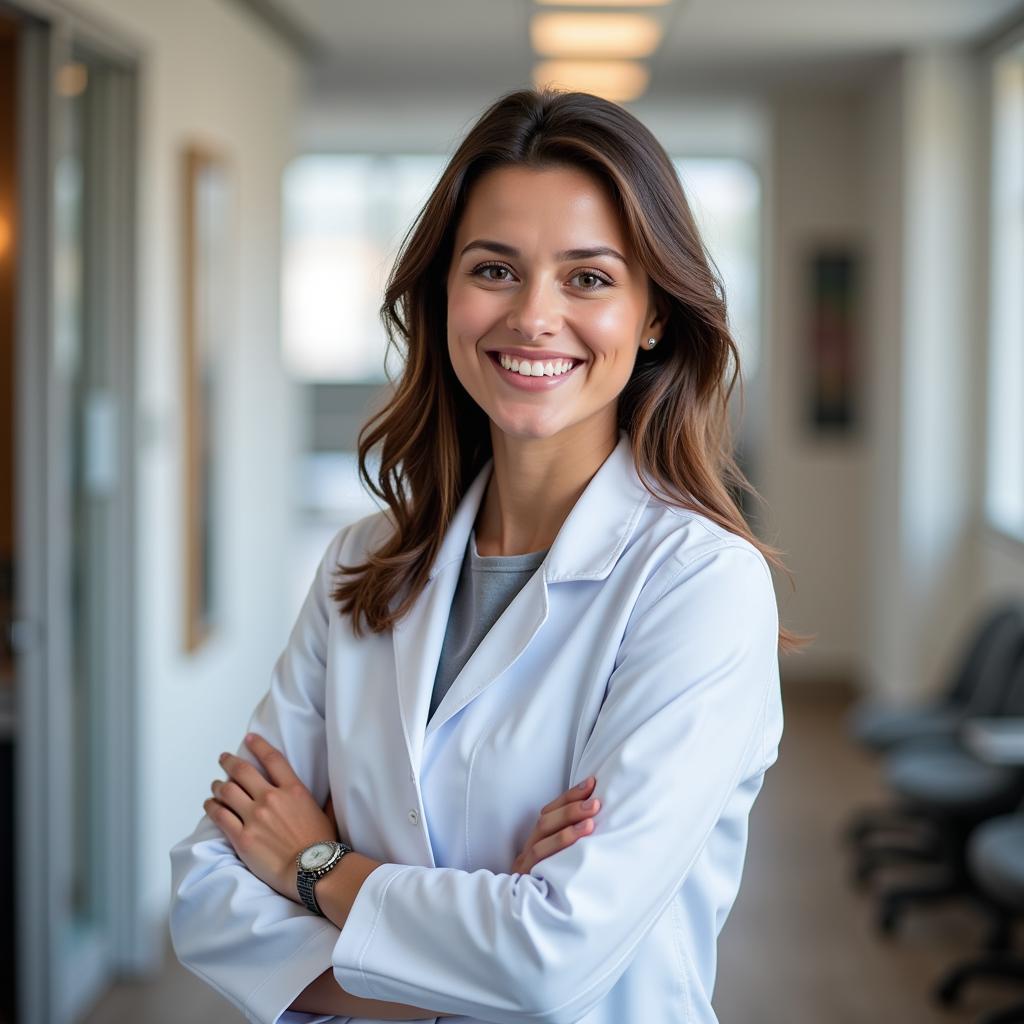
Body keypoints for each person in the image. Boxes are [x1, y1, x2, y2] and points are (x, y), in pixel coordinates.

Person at [168, 87, 808, 1024]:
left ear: (655, 313)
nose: (533, 317)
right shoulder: (363, 562)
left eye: (589, 277)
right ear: (442, 293)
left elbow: (551, 957)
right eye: (495, 269)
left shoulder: (699, 585)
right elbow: (207, 892)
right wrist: (465, 959)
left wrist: (316, 865)